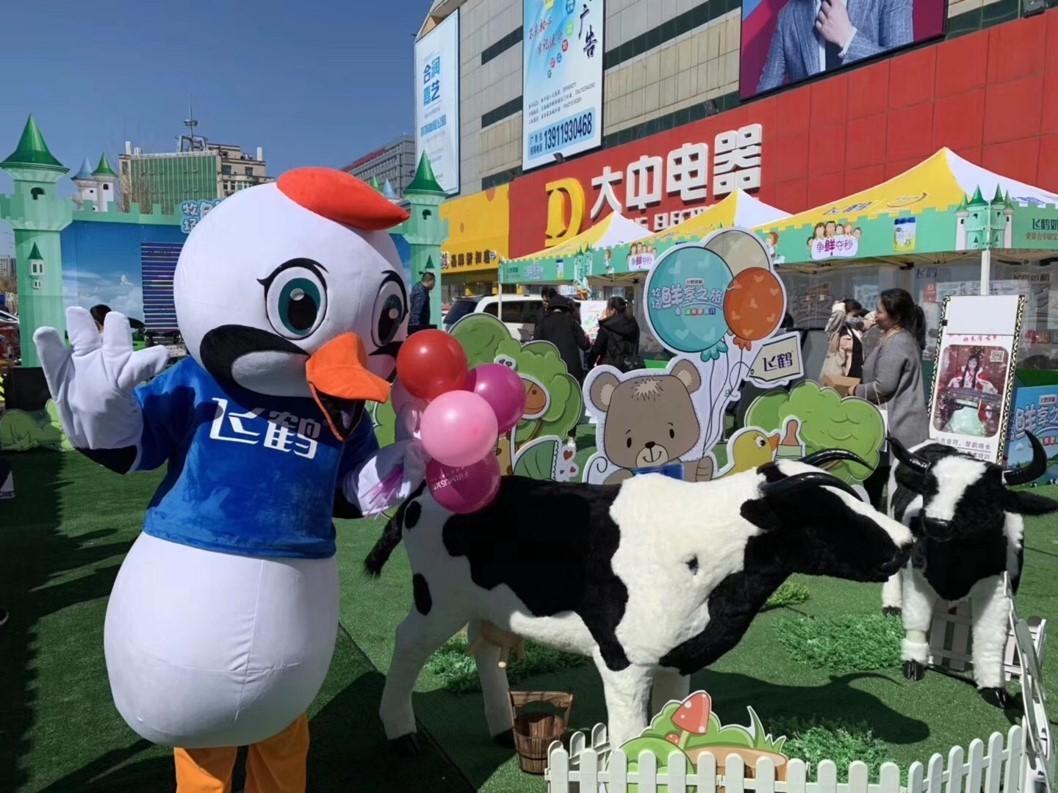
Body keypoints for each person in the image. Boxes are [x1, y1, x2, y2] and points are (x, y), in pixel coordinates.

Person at [853, 288, 929, 508]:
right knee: (882, 483)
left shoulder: (897, 343)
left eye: (880, 312)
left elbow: (884, 385)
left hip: (897, 426)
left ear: (896, 316)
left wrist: (854, 391)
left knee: (887, 486)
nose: (875, 316)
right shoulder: (894, 338)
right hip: (894, 425)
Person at [757, 0, 914, 93]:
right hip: (815, 135)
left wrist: (848, 39)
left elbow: (904, 73)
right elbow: (762, 101)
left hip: (873, 129)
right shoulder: (788, 17)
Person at [534, 293, 591, 382]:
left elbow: (536, 346)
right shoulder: (572, 322)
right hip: (571, 369)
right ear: (565, 309)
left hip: (550, 368)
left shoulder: (543, 324)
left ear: (550, 309)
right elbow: (584, 344)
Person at [588, 296, 642, 372]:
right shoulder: (634, 325)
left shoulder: (606, 327)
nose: (605, 311)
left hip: (609, 371)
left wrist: (589, 365)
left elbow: (596, 350)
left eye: (607, 308)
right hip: (630, 370)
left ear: (613, 310)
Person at [820, 298, 867, 381]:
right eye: (855, 315)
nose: (857, 318)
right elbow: (838, 315)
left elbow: (872, 319)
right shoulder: (836, 330)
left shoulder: (856, 330)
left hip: (857, 377)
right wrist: (840, 306)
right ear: (845, 313)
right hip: (839, 376)